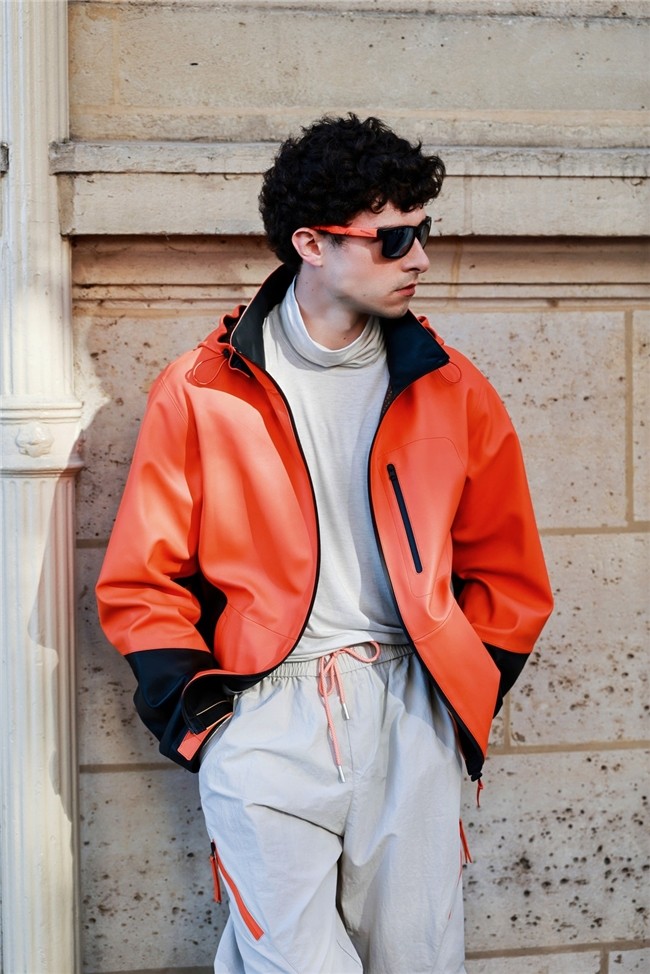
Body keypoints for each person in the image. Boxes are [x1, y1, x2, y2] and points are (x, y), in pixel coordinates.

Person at [96, 114, 553, 974]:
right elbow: (141, 580)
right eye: (393, 238)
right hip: (266, 714)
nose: (420, 258)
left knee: (418, 961)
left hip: (409, 710)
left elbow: (509, 571)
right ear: (311, 243)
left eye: (424, 231)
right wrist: (206, 720)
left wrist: (459, 696)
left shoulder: (452, 388)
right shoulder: (203, 390)